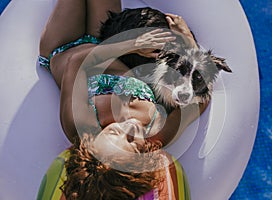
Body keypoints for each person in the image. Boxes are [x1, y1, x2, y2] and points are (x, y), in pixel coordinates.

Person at [37, 0, 209, 199]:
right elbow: (199, 101)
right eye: (133, 143)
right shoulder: (156, 131)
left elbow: (76, 63)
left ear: (91, 143)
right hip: (106, 43)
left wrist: (132, 45)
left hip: (65, 47)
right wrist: (189, 43)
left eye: (113, 132)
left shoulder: (80, 126)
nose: (129, 128)